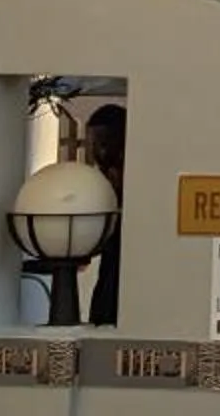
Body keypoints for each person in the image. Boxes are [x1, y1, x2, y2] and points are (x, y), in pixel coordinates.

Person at [82, 106, 124, 327]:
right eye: (95, 142)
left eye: (103, 141)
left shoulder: (127, 173)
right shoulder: (105, 174)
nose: (98, 150)